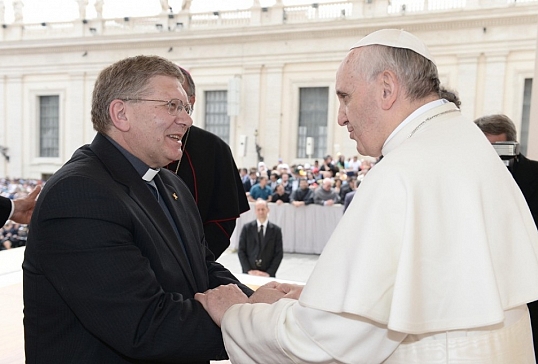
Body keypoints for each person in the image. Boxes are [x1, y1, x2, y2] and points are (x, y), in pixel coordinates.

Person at [195, 29, 538, 362]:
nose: (341, 117)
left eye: (345, 96)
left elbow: (323, 344)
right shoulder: (461, 140)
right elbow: (423, 289)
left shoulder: (403, 169)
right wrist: (320, 300)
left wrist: (236, 314)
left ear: (387, 88)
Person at [23, 55, 260, 363]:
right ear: (121, 113)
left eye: (186, 108)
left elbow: (203, 270)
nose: (187, 120)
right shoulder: (79, 195)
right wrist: (254, 327)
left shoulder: (171, 185)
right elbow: (145, 327)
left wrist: (258, 305)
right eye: (172, 106)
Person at [164, 66, 249, 259]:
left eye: (180, 101)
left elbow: (223, 219)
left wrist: (196, 260)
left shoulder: (214, 148)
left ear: (191, 100)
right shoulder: (140, 141)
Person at [475, 113, 538, 360]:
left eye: (498, 147)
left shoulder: (535, 174)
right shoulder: (471, 177)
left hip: (529, 285)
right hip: (487, 286)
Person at [238, 199, 283, 277]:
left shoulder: (276, 230)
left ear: (268, 210)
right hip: (249, 274)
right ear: (255, 211)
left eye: (263, 209)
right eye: (258, 210)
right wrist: (248, 270)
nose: (261, 212)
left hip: (267, 275)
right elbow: (241, 250)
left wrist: (269, 273)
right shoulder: (247, 228)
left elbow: (278, 253)